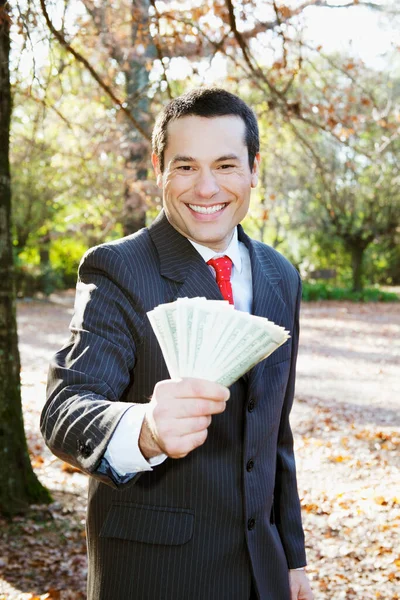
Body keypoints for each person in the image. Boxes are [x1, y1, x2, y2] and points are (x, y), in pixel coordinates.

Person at [41, 88, 314, 600]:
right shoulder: (118, 269)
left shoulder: (281, 276)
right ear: (158, 168)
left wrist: (291, 558)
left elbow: (276, 432)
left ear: (254, 168)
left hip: (264, 573)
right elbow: (64, 411)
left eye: (226, 165)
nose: (207, 187)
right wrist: (143, 428)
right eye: (185, 166)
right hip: (157, 576)